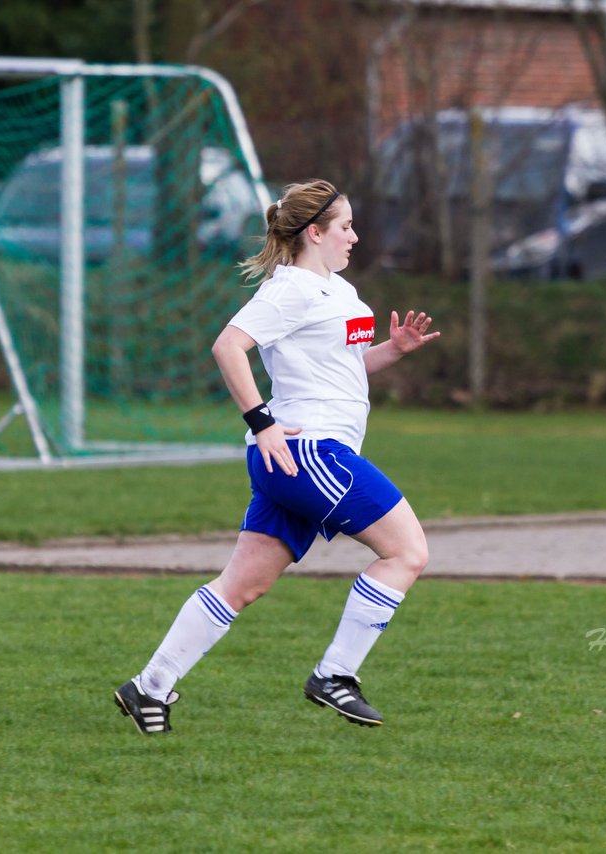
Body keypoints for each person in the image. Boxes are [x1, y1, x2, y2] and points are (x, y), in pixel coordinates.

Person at [113, 180, 440, 734]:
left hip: (297, 458)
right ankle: (335, 675)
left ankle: (148, 687)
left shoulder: (339, 292)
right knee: (407, 552)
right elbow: (227, 346)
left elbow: (342, 370)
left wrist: (392, 351)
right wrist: (261, 422)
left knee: (243, 584)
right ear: (314, 233)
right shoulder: (288, 289)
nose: (354, 237)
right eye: (345, 227)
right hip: (309, 451)